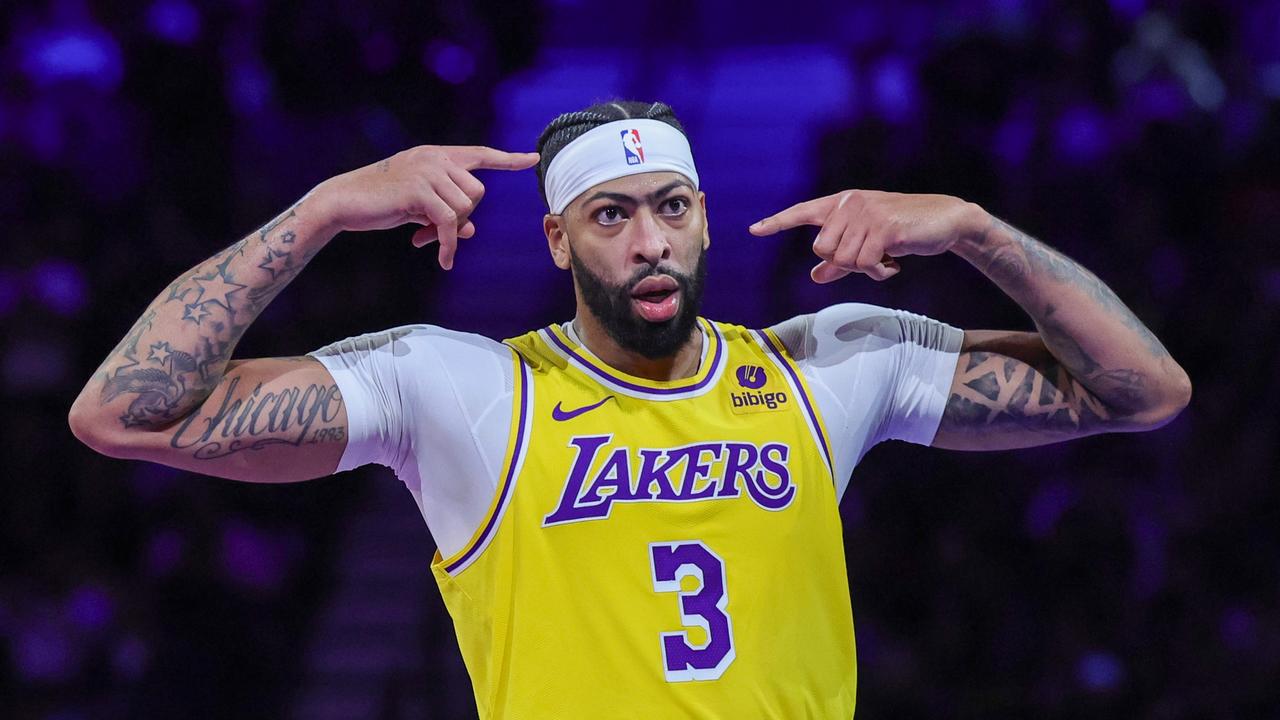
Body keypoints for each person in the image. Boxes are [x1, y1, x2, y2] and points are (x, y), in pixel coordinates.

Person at [68, 100, 1191, 718]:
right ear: (554, 239)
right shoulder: (462, 386)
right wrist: (316, 214)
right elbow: (124, 414)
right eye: (609, 215)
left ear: (704, 219)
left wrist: (972, 229)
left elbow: (1141, 392)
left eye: (670, 208)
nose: (649, 240)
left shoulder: (828, 366)